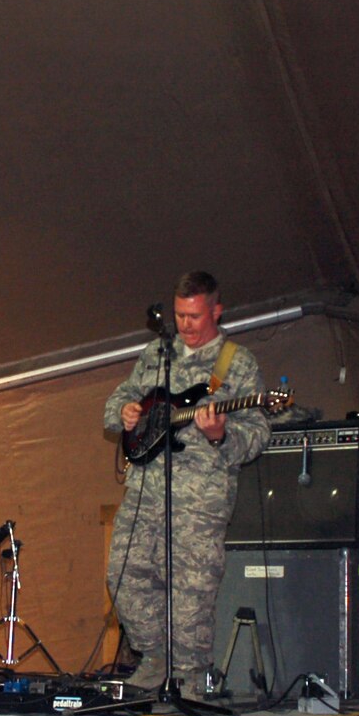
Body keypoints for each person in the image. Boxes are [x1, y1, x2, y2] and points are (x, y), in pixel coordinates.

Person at [105, 271, 270, 694]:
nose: (186, 325)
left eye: (195, 316)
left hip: (200, 499)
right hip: (145, 493)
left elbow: (258, 433)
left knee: (191, 592)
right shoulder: (156, 353)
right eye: (179, 315)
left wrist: (220, 434)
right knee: (124, 578)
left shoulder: (237, 363)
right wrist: (124, 411)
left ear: (216, 310)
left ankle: (189, 679)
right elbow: (118, 400)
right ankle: (155, 656)